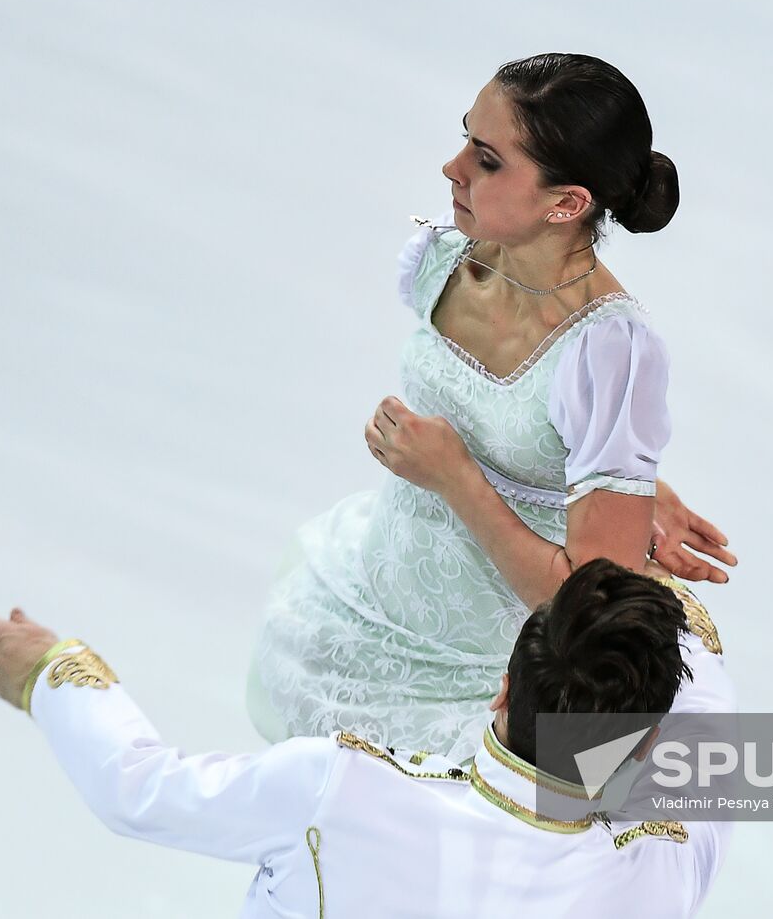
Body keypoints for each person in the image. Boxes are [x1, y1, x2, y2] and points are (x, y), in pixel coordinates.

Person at [247, 52, 736, 763]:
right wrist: (624, 482)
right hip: (368, 611)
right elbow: (527, 425)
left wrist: (455, 478)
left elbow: (588, 614)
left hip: (483, 682)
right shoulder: (441, 260)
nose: (452, 168)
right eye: (464, 140)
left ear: (566, 203)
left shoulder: (611, 354)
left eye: (485, 159)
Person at [0, 559, 736, 918]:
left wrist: (51, 672)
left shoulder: (342, 787)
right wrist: (653, 575)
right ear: (643, 746)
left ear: (502, 686)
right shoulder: (657, 871)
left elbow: (135, 788)